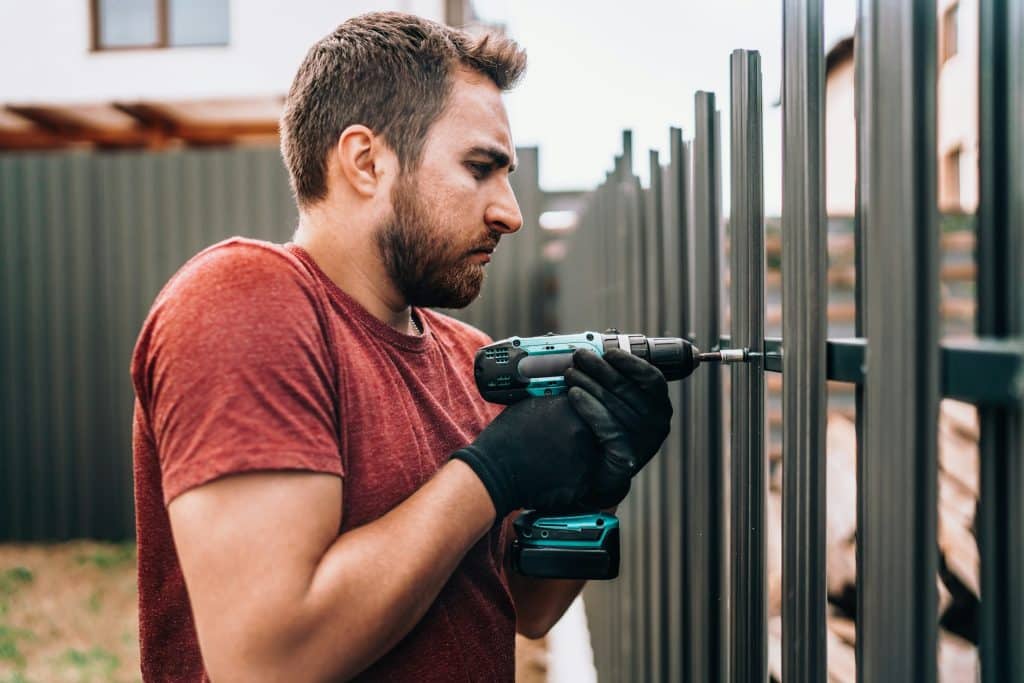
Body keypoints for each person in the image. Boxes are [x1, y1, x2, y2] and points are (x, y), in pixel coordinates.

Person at [131, 11, 672, 682]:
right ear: (366, 161)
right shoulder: (243, 300)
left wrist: (596, 482)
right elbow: (268, 659)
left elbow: (524, 608)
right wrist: (490, 474)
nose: (511, 212)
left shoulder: (466, 355)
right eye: (481, 168)